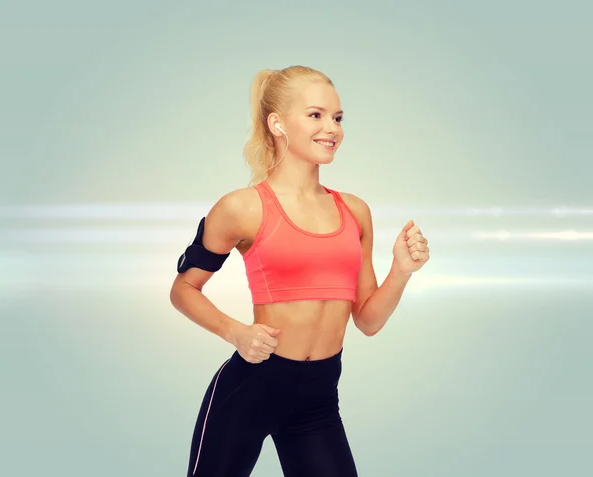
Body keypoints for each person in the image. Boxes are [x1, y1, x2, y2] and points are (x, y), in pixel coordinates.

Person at [170, 65, 430, 477]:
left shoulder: (354, 211)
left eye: (338, 118)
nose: (333, 128)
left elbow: (367, 320)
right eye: (316, 115)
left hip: (318, 401)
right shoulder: (242, 208)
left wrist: (401, 271)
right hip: (250, 391)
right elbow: (183, 289)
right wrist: (236, 332)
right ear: (277, 124)